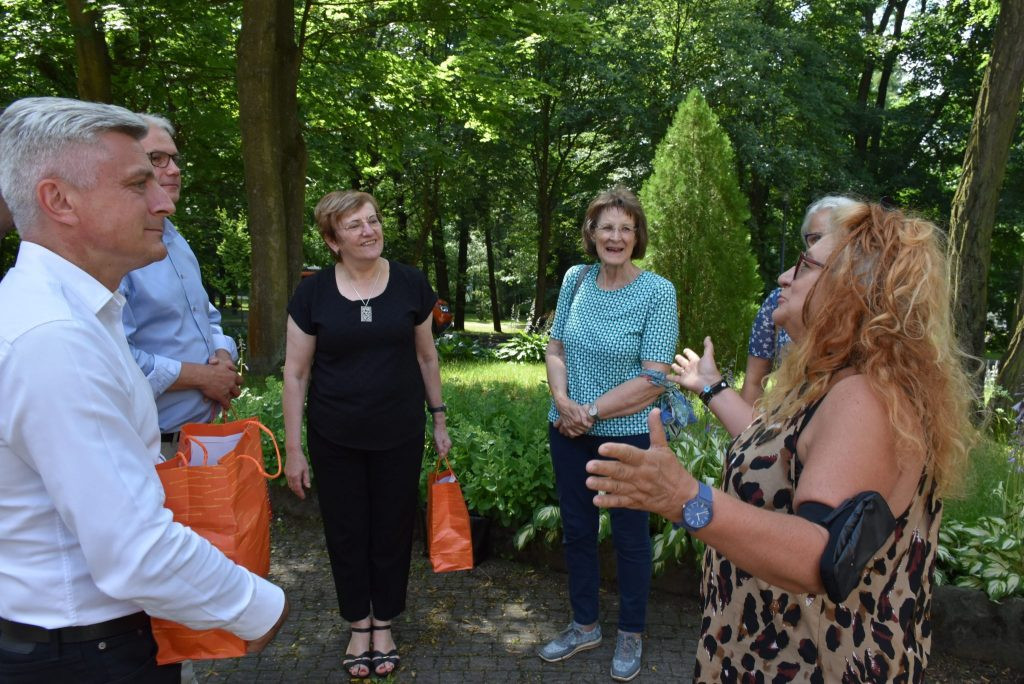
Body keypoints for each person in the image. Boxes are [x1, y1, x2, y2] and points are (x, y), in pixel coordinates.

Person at [586, 201, 974, 681]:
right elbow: (776, 454)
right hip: (768, 651)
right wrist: (711, 388)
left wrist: (687, 498)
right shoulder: (834, 381)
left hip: (807, 665)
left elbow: (820, 555)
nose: (785, 277)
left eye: (807, 265)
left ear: (854, 291)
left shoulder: (865, 399)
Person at [0, 97, 288, 683]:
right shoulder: (55, 338)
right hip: (81, 652)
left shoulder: (72, 313)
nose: (163, 199)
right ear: (58, 200)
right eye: (138, 183)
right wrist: (260, 609)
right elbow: (136, 552)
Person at [282, 189, 451, 679]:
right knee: (347, 530)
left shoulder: (410, 284)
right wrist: (294, 450)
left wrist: (439, 418)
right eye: (355, 225)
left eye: (373, 220)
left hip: (399, 431)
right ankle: (359, 623)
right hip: (334, 436)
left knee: (393, 529)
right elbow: (296, 374)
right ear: (334, 240)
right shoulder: (312, 294)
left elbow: (426, 357)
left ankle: (386, 621)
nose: (369, 230)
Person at [538, 187, 678, 682]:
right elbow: (556, 349)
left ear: (637, 236)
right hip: (567, 429)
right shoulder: (575, 280)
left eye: (625, 228)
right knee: (576, 531)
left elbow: (653, 378)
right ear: (591, 234)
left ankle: (631, 633)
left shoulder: (658, 292)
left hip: (628, 437)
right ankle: (585, 625)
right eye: (606, 227)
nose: (615, 237)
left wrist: (590, 412)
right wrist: (562, 403)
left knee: (630, 538)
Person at [120, 114, 242, 456]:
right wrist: (203, 378)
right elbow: (117, 358)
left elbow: (206, 317)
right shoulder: (114, 251)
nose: (173, 169)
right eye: (157, 159)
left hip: (201, 440)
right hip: (152, 450)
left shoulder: (176, 241)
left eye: (174, 158)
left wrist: (221, 358)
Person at [740, 195, 857, 403]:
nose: (783, 279)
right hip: (785, 424)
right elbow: (754, 381)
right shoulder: (780, 300)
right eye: (816, 238)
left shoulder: (864, 307)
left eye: (834, 234)